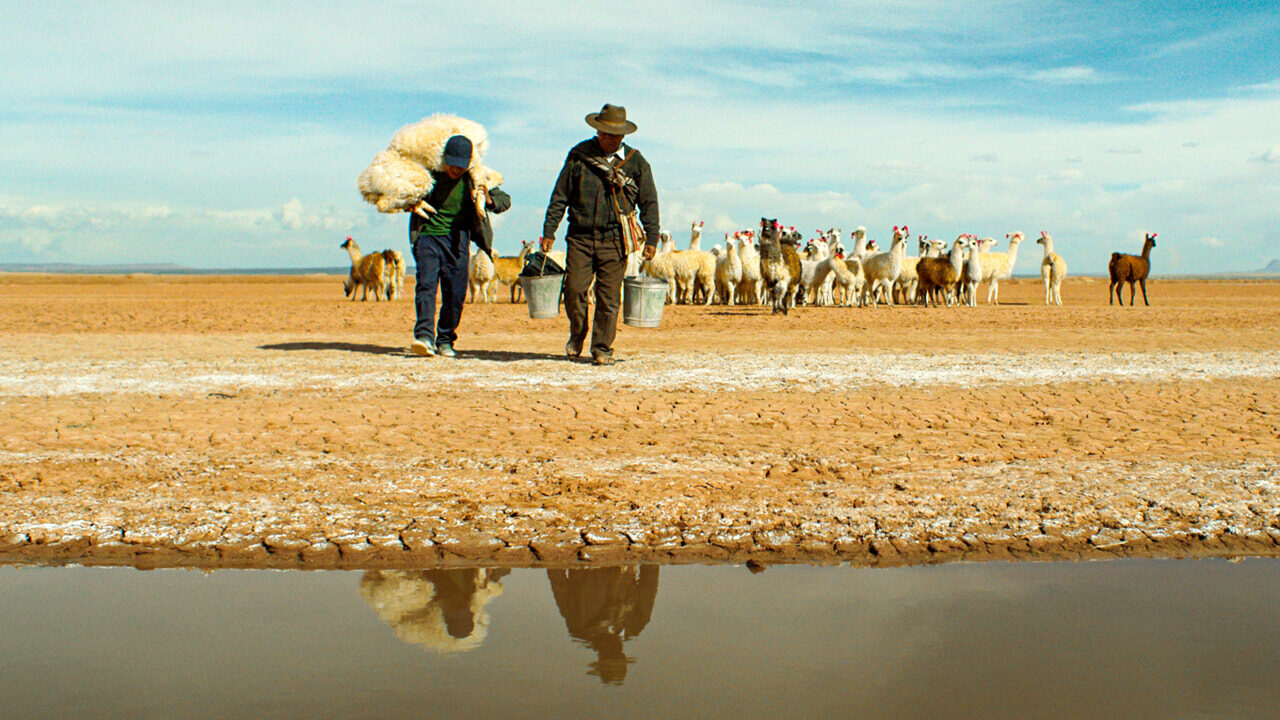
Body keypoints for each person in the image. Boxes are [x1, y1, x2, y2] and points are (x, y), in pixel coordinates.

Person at [541, 104, 660, 366]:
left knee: (609, 298)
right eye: (605, 133)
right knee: (573, 291)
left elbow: (649, 202)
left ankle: (602, 348)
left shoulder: (636, 163)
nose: (610, 138)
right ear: (597, 131)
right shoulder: (578, 156)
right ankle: (577, 333)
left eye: (615, 135)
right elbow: (560, 195)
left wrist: (652, 237)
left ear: (623, 136)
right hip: (580, 237)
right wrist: (549, 230)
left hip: (615, 239)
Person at [409, 134, 511, 358]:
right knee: (426, 286)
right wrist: (408, 201)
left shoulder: (476, 177)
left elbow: (505, 200)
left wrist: (487, 199)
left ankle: (445, 339)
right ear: (444, 158)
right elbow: (401, 191)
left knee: (455, 293)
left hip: (457, 240)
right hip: (428, 236)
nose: (455, 170)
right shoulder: (427, 174)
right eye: (452, 164)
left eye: (461, 166)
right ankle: (424, 337)